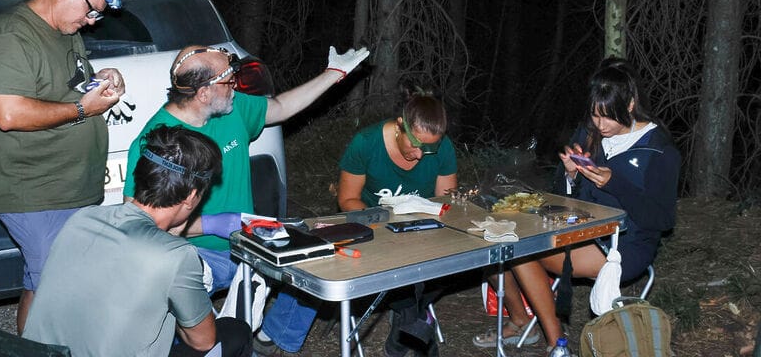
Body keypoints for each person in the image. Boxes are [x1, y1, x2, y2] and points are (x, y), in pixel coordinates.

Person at [122, 44, 369, 292]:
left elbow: (281, 107)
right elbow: (139, 223)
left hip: (250, 244)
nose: (236, 87)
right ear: (204, 93)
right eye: (230, 82)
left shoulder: (231, 108)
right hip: (193, 252)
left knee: (324, 264)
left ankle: (277, 333)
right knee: (176, 294)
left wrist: (335, 73)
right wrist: (209, 225)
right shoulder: (155, 143)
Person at [472, 57, 680, 354]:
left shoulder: (658, 149)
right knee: (495, 240)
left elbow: (661, 219)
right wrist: (570, 175)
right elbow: (563, 197)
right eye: (595, 115)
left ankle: (557, 343)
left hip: (626, 243)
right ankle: (523, 322)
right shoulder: (589, 133)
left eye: (608, 116)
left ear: (631, 104)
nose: (600, 124)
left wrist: (614, 183)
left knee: (519, 250)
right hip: (579, 227)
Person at [253, 89, 457, 357]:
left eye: (430, 148)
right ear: (399, 125)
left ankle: (406, 318)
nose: (421, 154)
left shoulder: (442, 149)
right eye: (417, 144)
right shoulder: (366, 143)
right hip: (373, 225)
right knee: (323, 257)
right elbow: (347, 199)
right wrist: (383, 223)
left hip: (422, 232)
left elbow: (445, 202)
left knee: (447, 262)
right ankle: (280, 330)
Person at [23, 124, 254, 357]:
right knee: (235, 333)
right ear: (191, 196)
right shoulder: (176, 257)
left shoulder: (83, 218)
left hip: (41, 353)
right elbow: (203, 341)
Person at [0, 0, 126, 333]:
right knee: (53, 281)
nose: (92, 22)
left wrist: (102, 76)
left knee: (47, 280)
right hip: (34, 190)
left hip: (70, 186)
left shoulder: (66, 31)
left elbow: (65, 86)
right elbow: (9, 113)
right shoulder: (11, 34)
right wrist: (83, 110)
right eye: (91, 11)